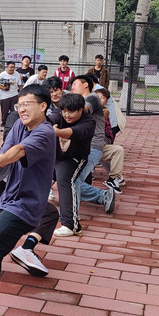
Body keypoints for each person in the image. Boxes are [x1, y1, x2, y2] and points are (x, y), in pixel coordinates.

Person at [0, 85, 56, 316]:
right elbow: (6, 148)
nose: (21, 109)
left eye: (27, 104)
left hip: (24, 209)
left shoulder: (45, 132)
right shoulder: (20, 125)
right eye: (19, 105)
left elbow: (17, 152)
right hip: (5, 204)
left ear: (43, 106)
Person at [49, 93, 96, 237]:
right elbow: (51, 119)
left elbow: (73, 132)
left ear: (81, 110)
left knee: (64, 180)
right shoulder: (59, 113)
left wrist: (57, 132)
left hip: (74, 159)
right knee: (39, 178)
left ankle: (71, 225)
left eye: (71, 112)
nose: (66, 115)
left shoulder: (89, 121)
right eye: (64, 111)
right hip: (55, 157)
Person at [71, 75, 124, 197]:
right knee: (72, 181)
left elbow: (82, 110)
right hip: (85, 146)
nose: (72, 87)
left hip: (93, 146)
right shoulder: (88, 102)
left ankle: (104, 196)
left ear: (85, 85)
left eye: (75, 84)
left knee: (73, 182)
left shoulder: (92, 98)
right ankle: (105, 193)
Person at [0, 61, 22, 127]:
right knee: (5, 112)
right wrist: (4, 88)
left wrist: (20, 95)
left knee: (14, 112)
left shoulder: (17, 74)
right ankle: (3, 125)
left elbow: (20, 85)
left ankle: (14, 125)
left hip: (14, 95)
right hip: (5, 97)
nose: (12, 69)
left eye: (13, 67)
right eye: (10, 67)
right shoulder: (2, 74)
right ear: (7, 67)